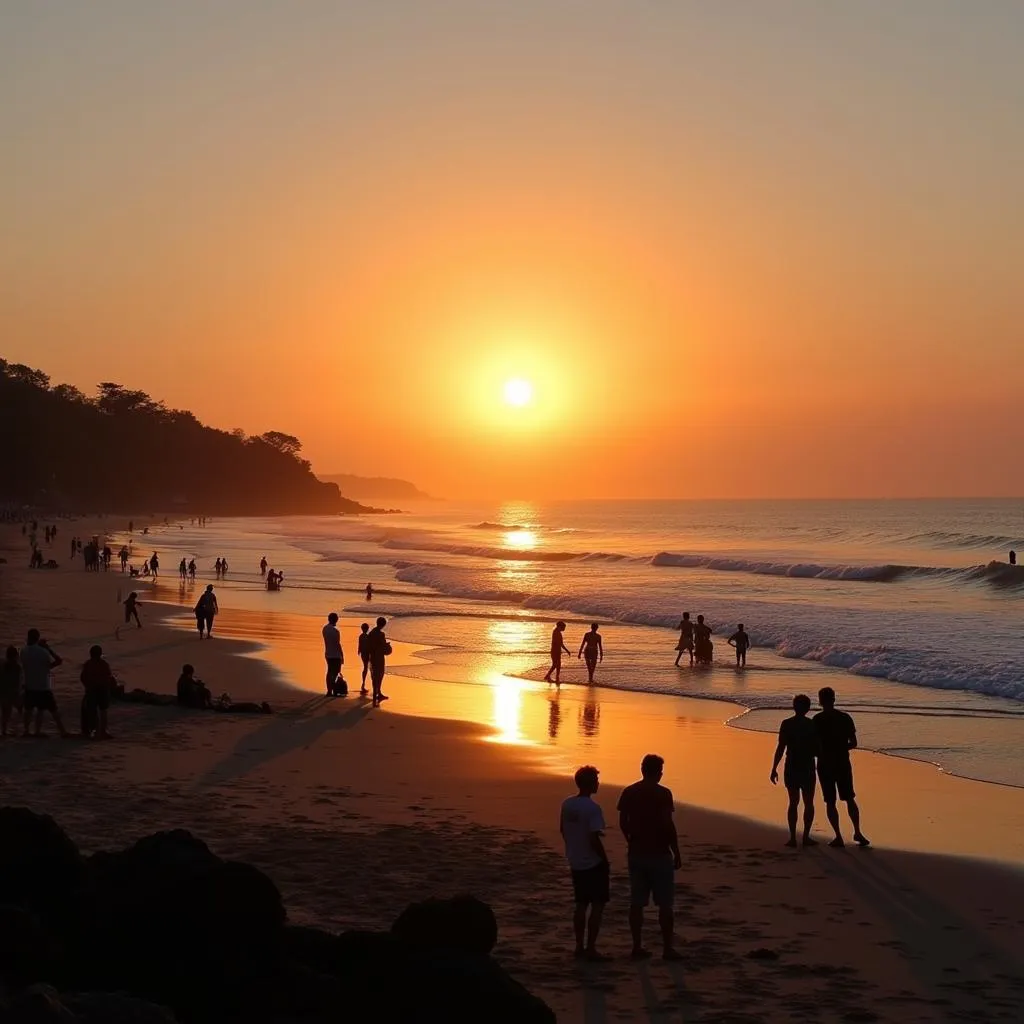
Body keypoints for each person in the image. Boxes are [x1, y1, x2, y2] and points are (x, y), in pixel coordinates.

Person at [617, 754, 683, 961]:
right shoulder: (663, 793)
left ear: (642, 769)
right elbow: (667, 823)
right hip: (659, 852)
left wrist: (630, 838)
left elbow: (622, 821)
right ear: (659, 772)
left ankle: (637, 946)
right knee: (665, 904)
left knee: (637, 902)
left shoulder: (629, 791)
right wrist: (676, 850)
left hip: (636, 851)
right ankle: (667, 948)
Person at [559, 765, 610, 961]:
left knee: (581, 904)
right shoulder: (593, 808)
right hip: (592, 862)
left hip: (575, 859)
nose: (598, 783)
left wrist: (573, 846)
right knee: (597, 905)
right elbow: (593, 838)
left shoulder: (567, 804)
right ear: (590, 784)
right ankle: (591, 948)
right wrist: (604, 860)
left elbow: (562, 829)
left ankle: (579, 946)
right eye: (596, 780)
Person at [814, 687, 870, 848]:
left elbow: (814, 745)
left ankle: (838, 836)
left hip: (825, 764)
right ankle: (857, 832)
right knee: (849, 798)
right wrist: (840, 747)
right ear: (834, 699)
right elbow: (853, 743)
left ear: (820, 701)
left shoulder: (817, 720)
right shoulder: (845, 718)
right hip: (842, 762)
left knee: (830, 801)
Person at [770, 694, 820, 848]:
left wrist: (774, 768)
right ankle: (805, 837)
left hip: (791, 765)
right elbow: (818, 749)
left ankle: (792, 838)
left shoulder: (786, 724)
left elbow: (781, 747)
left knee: (793, 802)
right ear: (808, 708)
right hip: (807, 766)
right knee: (808, 802)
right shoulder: (812, 725)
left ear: (794, 707)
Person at [20, 630, 69, 738]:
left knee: (28, 710)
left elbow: (25, 665)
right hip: (43, 686)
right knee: (51, 710)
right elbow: (57, 661)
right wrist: (48, 648)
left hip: (30, 685)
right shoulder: (43, 652)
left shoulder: (23, 651)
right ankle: (62, 731)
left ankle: (26, 731)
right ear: (38, 637)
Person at [80, 645, 114, 739]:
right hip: (102, 689)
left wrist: (87, 686)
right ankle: (103, 731)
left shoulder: (88, 664)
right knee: (103, 711)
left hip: (91, 689)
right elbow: (108, 677)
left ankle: (95, 731)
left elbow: (82, 677)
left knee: (92, 710)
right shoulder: (104, 664)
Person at [365, 616, 392, 704]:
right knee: (379, 675)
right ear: (383, 624)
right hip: (379, 657)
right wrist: (388, 646)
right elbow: (383, 646)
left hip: (372, 657)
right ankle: (377, 693)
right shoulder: (381, 634)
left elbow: (368, 646)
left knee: (374, 675)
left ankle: (376, 693)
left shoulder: (371, 633)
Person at [323, 612, 347, 696]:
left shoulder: (325, 629)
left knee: (329, 672)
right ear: (336, 620)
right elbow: (338, 644)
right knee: (336, 672)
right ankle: (334, 690)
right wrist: (342, 655)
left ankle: (329, 690)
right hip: (336, 654)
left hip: (328, 653)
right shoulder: (336, 631)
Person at [1, 646, 23, 737]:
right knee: (20, 709)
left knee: (5, 712)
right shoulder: (17, 667)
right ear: (15, 656)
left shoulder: (2, 665)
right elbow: (17, 681)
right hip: (12, 692)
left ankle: (4, 731)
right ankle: (18, 728)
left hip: (3, 691)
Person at [357, 622, 371, 696]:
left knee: (365, 667)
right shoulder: (367, 636)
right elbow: (369, 646)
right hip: (366, 654)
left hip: (363, 654)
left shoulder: (361, 636)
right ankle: (363, 685)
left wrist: (359, 651)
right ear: (367, 629)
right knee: (366, 668)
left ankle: (363, 684)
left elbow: (359, 645)